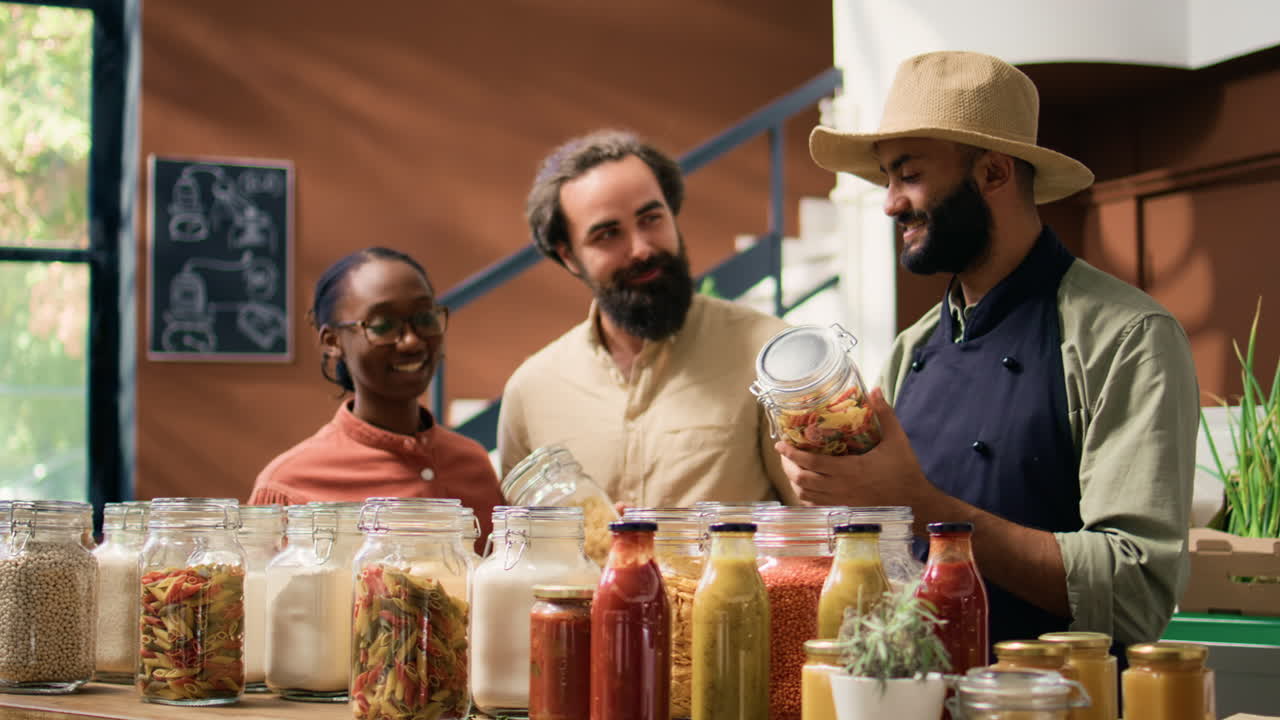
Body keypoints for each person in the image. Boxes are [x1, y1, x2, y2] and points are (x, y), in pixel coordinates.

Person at [790, 51, 1198, 647]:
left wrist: (918, 503)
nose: (890, 203)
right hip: (914, 688)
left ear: (994, 173)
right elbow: (887, 563)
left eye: (908, 174)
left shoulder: (1127, 337)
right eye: (886, 179)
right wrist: (837, 493)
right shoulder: (910, 349)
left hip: (1060, 694)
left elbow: (1134, 592)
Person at [497, 130, 797, 508]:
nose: (641, 249)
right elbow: (523, 539)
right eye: (608, 234)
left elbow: (822, 520)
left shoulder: (770, 356)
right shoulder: (530, 391)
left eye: (651, 218)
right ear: (569, 256)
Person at [249, 246, 504, 545]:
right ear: (332, 342)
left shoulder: (472, 463)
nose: (411, 342)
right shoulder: (287, 487)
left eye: (425, 318)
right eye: (383, 325)